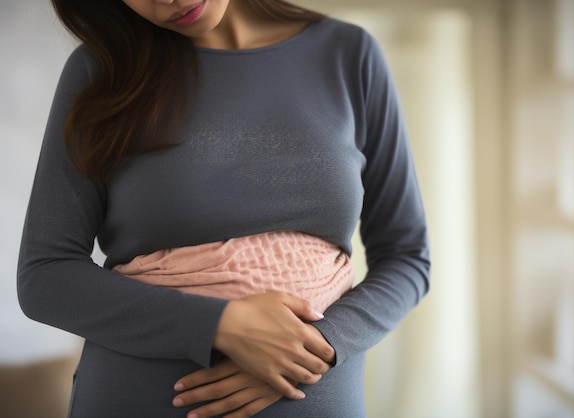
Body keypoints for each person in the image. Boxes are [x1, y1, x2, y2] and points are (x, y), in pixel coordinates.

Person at [17, 0, 430, 417]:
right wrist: (222, 325)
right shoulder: (101, 70)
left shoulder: (349, 54)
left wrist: (315, 346)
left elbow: (408, 258)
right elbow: (45, 275)